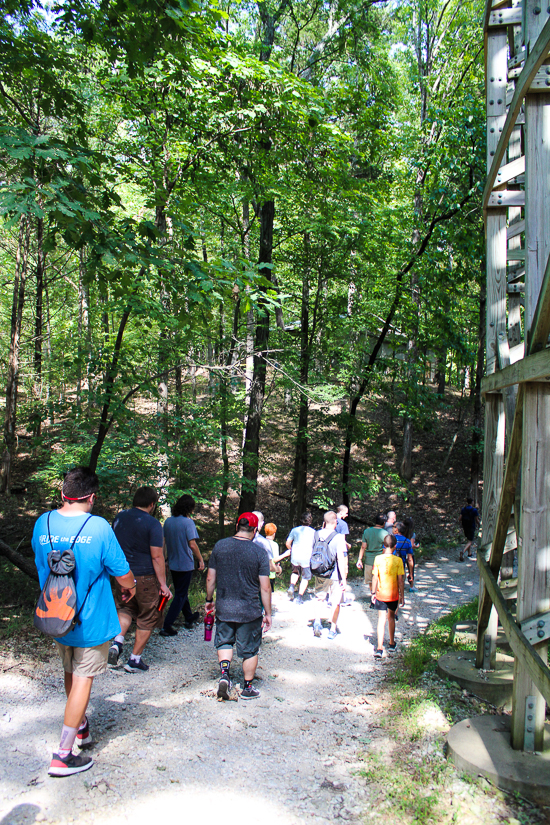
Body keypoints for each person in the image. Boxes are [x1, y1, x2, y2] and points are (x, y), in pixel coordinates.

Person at [32, 466, 136, 777]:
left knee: (70, 671)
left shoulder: (43, 522)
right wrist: (129, 589)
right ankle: (63, 755)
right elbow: (122, 572)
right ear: (90, 497)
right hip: (90, 620)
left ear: (63, 494)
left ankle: (81, 727)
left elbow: (40, 565)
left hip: (57, 615)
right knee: (83, 679)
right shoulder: (100, 527)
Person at [205, 513, 271, 700]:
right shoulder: (259, 552)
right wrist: (268, 613)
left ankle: (225, 675)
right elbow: (265, 587)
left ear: (236, 525)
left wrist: (209, 599)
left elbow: (210, 577)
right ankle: (247, 687)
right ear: (255, 529)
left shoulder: (220, 546)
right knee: (250, 649)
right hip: (249, 610)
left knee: (224, 641)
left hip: (225, 606)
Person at [109, 486, 171, 672]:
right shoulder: (153, 524)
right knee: (148, 614)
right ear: (152, 504)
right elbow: (157, 556)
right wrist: (162, 584)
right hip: (145, 577)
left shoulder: (120, 517)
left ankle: (117, 643)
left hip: (121, 574)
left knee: (125, 608)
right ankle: (134, 659)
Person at [160, 494, 204, 637]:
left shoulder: (168, 522)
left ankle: (189, 617)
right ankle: (167, 625)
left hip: (173, 563)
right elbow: (192, 544)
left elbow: (164, 542)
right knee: (180, 594)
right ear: (189, 508)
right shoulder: (188, 523)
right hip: (185, 564)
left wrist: (164, 559)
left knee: (181, 591)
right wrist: (201, 559)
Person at [312, 511, 349, 640]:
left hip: (320, 571)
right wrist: (343, 578)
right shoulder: (339, 537)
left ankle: (317, 621)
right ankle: (332, 629)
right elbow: (340, 558)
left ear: (324, 521)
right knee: (335, 602)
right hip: (334, 574)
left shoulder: (316, 534)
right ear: (335, 522)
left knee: (319, 597)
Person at [371, 534, 405, 658]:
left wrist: (373, 593)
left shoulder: (378, 559)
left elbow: (375, 577)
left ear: (383, 546)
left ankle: (379, 648)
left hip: (381, 593)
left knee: (381, 620)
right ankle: (391, 643)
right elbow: (400, 580)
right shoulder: (398, 560)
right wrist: (402, 595)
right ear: (395, 546)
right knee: (391, 618)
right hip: (393, 594)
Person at [279, 512, 316, 604]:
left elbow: (287, 543)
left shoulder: (295, 530)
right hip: (307, 557)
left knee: (295, 572)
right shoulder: (313, 532)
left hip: (295, 556)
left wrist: (291, 550)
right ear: (310, 521)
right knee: (305, 577)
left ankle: (291, 586)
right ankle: (299, 598)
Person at [357, 515, 388, 587]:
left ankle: (372, 594)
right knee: (380, 579)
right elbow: (385, 548)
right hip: (380, 560)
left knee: (370, 580)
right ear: (384, 523)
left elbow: (363, 546)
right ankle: (378, 595)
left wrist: (359, 559)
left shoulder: (367, 531)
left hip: (369, 560)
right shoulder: (385, 533)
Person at [393, 521, 415, 591]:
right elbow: (410, 559)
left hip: (391, 564)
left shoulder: (390, 538)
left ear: (396, 529)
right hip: (401, 565)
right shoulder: (407, 541)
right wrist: (411, 573)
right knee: (400, 584)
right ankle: (400, 600)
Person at [264, 522, 281, 591]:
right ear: (274, 533)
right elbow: (275, 559)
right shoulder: (274, 545)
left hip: (261, 573)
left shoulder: (261, 542)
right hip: (271, 574)